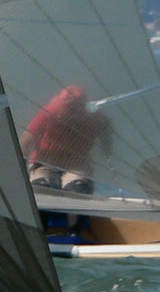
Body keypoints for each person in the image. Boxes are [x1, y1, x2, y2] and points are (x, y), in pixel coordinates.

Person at [19, 85, 113, 239]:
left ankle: (73, 234)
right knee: (41, 187)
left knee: (78, 188)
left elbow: (107, 136)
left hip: (77, 163)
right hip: (45, 162)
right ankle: (37, 234)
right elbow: (26, 141)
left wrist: (108, 154)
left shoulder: (96, 117)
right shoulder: (48, 113)